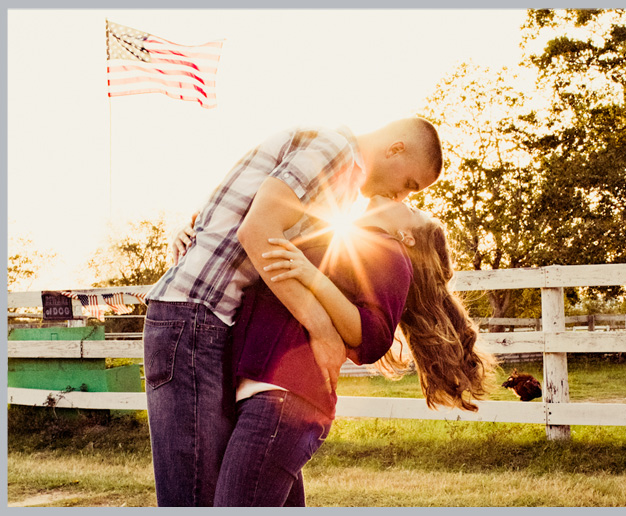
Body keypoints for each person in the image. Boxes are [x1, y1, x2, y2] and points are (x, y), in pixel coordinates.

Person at [143, 117, 443, 506]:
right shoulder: (338, 152)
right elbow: (257, 230)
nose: (402, 196)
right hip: (197, 318)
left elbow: (237, 215)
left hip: (208, 321)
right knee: (193, 500)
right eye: (409, 184)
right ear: (396, 148)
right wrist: (321, 329)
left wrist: (191, 229)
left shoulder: (334, 171)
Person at [211, 194, 496, 506]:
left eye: (412, 209)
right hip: (272, 397)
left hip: (281, 400)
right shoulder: (353, 243)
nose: (403, 200)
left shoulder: (391, 253)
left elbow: (372, 337)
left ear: (408, 236)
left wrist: (310, 275)